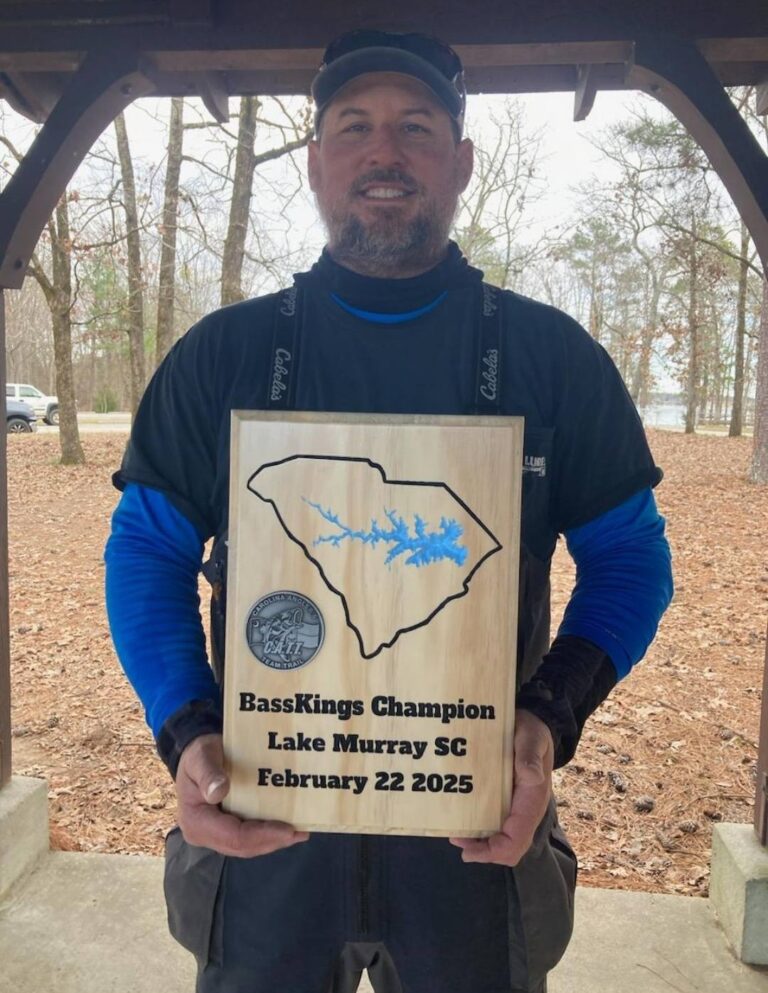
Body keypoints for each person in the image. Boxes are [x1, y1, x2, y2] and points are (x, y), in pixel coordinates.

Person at [105, 29, 673, 993]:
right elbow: (147, 550)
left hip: (475, 831)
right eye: (353, 126)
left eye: (416, 127)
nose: (384, 151)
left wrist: (550, 713)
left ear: (460, 163)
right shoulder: (223, 354)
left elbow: (630, 558)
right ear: (318, 159)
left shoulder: (551, 357)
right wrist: (185, 725)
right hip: (263, 831)